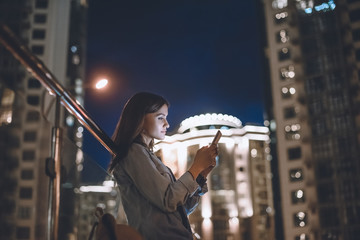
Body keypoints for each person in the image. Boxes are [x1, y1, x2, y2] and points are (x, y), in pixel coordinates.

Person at [109, 92, 218, 240]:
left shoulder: (149, 156)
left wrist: (201, 174)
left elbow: (181, 208)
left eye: (166, 118)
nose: (167, 124)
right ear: (140, 118)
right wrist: (196, 166)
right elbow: (169, 200)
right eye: (160, 118)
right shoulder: (133, 152)